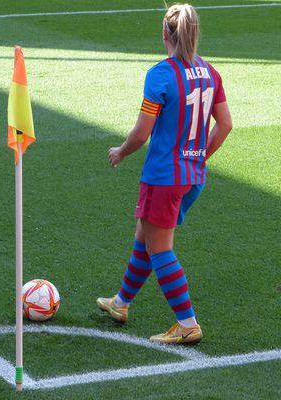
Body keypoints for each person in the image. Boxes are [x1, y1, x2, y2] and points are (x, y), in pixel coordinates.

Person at [96, 3, 232, 344]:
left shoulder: (160, 74)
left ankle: (187, 324)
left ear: (164, 33)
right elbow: (225, 125)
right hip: (192, 179)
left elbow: (142, 134)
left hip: (163, 178)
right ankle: (121, 303)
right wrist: (199, 159)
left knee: (160, 249)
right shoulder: (210, 72)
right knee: (145, 236)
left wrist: (120, 152)